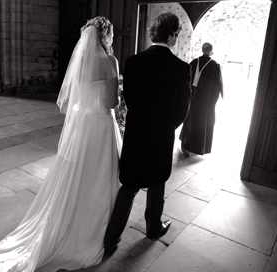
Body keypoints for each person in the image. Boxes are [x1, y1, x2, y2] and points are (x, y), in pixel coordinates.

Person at [0, 16, 121, 272]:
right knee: (99, 178)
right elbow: (111, 104)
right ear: (106, 36)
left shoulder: (81, 61)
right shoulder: (110, 62)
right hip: (101, 126)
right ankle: (94, 230)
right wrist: (118, 89)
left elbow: (74, 100)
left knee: (75, 176)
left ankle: (67, 221)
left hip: (82, 126)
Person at [103, 12, 191, 253]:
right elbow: (182, 110)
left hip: (136, 131)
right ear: (173, 35)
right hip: (161, 135)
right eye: (177, 34)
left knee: (129, 186)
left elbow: (128, 99)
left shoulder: (133, 62)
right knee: (157, 182)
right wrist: (164, 126)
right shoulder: (181, 68)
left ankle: (111, 240)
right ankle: (153, 228)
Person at [179, 42, 223, 157]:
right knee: (201, 123)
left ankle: (185, 146)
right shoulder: (214, 66)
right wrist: (212, 103)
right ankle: (198, 147)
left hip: (192, 97)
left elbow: (185, 80)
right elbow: (217, 87)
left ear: (202, 50)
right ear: (211, 51)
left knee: (189, 121)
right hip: (205, 102)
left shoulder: (193, 62)